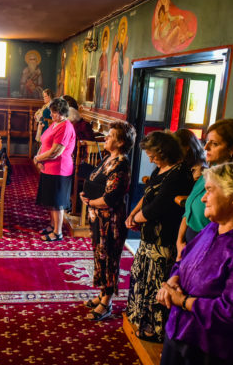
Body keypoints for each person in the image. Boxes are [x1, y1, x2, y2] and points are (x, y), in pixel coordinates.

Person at [157, 161, 233, 365]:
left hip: (208, 350)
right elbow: (183, 260)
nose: (203, 198)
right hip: (178, 332)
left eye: (210, 190)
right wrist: (173, 280)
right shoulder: (213, 227)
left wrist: (183, 301)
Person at [125, 131, 194, 342]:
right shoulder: (161, 168)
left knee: (156, 283)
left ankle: (155, 329)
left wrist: (137, 219)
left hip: (163, 238)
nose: (150, 159)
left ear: (165, 151)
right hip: (148, 236)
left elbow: (158, 207)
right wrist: (132, 215)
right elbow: (147, 195)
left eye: (153, 155)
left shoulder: (179, 173)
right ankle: (140, 318)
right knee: (142, 278)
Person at [80, 121, 136, 321]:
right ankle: (102, 293)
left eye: (110, 136)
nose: (106, 138)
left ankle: (107, 302)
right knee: (100, 256)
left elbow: (110, 198)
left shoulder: (121, 164)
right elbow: (95, 181)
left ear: (121, 142)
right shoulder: (108, 158)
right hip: (99, 218)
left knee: (110, 259)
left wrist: (90, 202)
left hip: (111, 222)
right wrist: (86, 196)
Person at [176, 119, 233, 258]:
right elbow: (189, 209)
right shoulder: (210, 172)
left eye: (215, 144)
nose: (206, 147)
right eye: (207, 142)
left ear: (232, 149)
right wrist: (179, 241)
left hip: (208, 251)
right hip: (188, 244)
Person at [34, 97, 76, 241]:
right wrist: (39, 157)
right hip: (48, 168)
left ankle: (58, 233)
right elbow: (44, 142)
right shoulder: (55, 123)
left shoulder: (65, 127)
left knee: (57, 202)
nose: (51, 114)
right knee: (51, 200)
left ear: (61, 112)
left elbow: (55, 152)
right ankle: (52, 226)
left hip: (59, 169)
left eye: (53, 112)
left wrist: (38, 158)